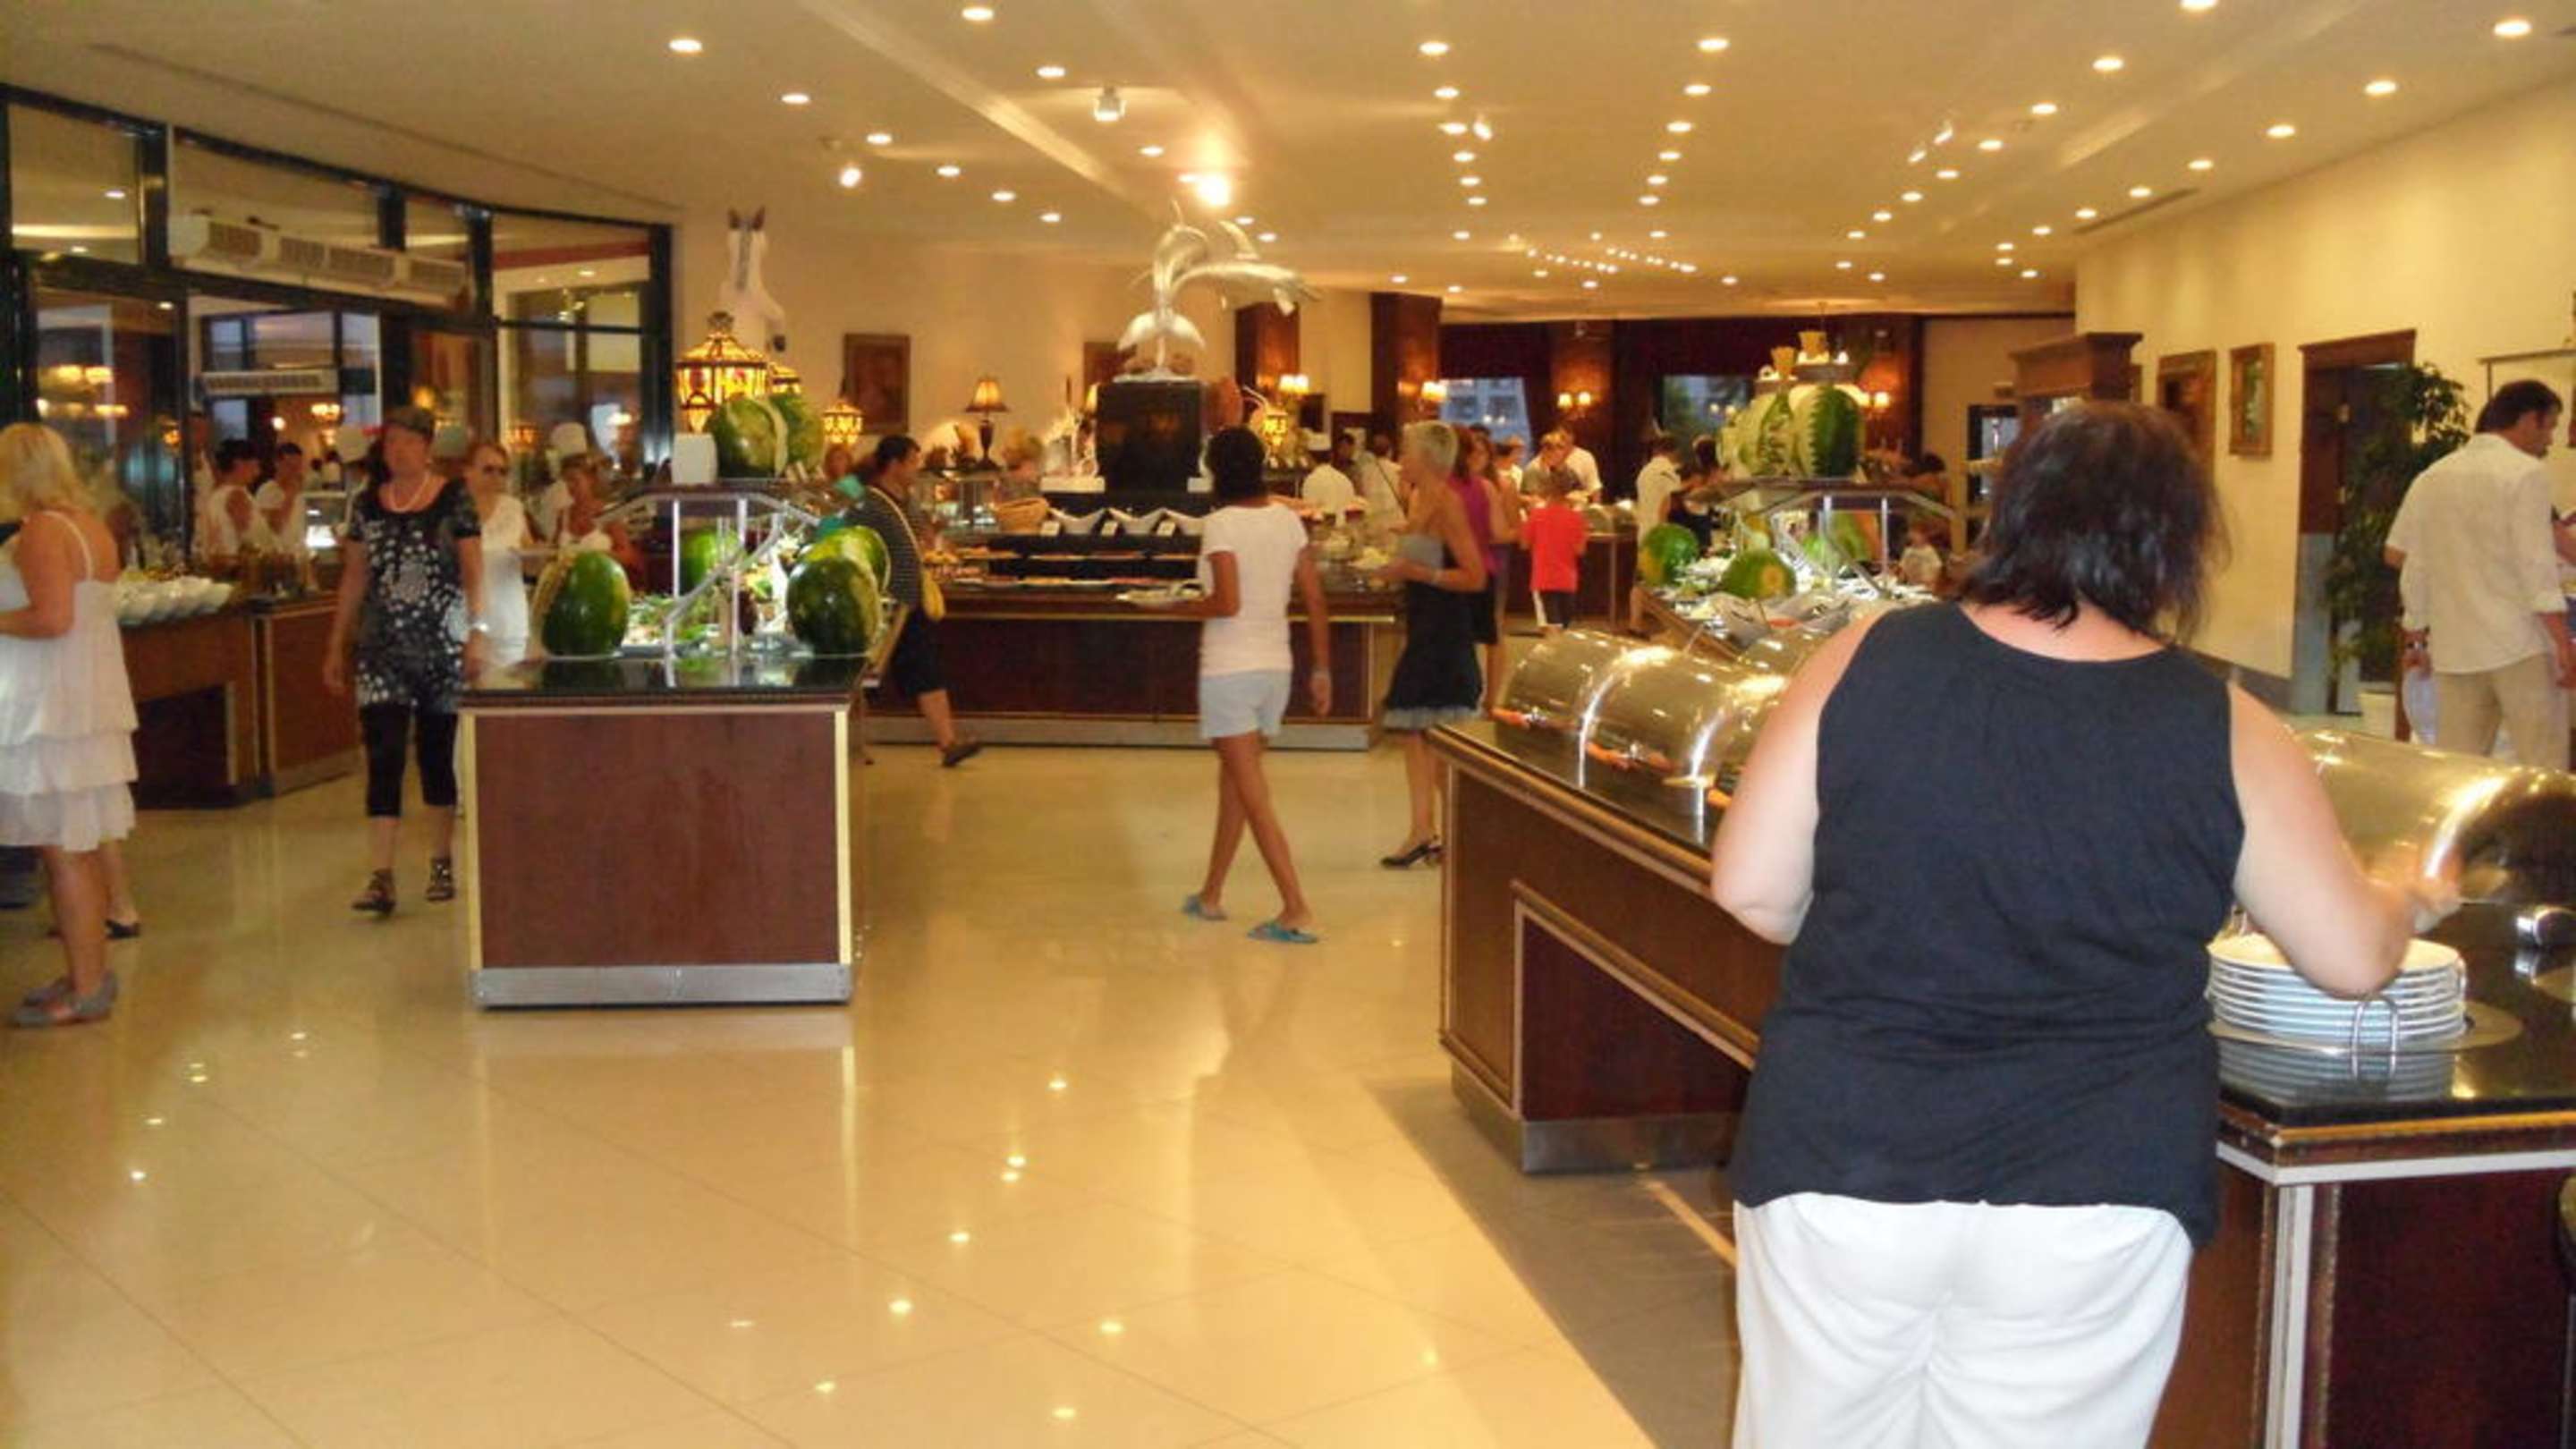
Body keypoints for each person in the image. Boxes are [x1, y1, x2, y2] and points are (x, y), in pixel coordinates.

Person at [1710, 402, 2447, 1449]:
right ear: (2175, 544)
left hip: (1846, 1146)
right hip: (2099, 1176)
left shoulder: (1867, 655)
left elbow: (1752, 890)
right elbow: (2352, 958)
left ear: (2015, 514)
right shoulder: (2225, 723)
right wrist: (2406, 894)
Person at [1162, 427, 1332, 943]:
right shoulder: (1287, 521)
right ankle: (1211, 893)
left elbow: (1226, 602)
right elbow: (1314, 599)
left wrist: (1177, 606)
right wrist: (1322, 669)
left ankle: (1295, 907)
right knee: (1236, 783)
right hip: (1275, 667)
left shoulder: (1221, 524)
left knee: (1254, 795)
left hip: (1230, 670)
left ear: (1216, 471)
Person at [1, 424, 142, 1026]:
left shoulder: (41, 530)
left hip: (52, 707)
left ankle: (85, 986)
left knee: (63, 853)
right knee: (76, 848)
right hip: (83, 701)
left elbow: (52, 618)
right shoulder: (89, 526)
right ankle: (89, 971)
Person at [322, 406, 485, 916]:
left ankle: (440, 860)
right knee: (384, 754)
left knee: (435, 755)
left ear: (427, 448)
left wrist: (476, 633)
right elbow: (354, 576)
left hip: (439, 645)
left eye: (410, 443)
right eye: (392, 443)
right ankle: (381, 874)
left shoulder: (454, 499)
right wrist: (337, 642)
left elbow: (473, 569)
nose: (400, 452)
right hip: (382, 649)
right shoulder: (367, 504)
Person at [2384, 379, 2570, 769]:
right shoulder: (2525, 474)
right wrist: (2563, 644)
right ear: (2529, 419)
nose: (2550, 439)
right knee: (2542, 766)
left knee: (2458, 769)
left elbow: (2407, 560)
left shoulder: (2433, 477)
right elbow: (2535, 567)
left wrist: (2415, 636)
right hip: (2520, 645)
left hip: (2455, 648)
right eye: (2550, 426)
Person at [1374, 420, 1488, 868]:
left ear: (1426, 458)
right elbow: (1421, 547)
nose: (1401, 458)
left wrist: (1417, 572)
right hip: (1424, 625)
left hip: (1445, 628)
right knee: (1417, 729)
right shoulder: (1420, 498)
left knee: (1431, 731)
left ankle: (1452, 828)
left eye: (1407, 451)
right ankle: (1425, 829)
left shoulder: (1448, 502)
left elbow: (1474, 575)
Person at [854, 434, 981, 767]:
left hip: (910, 602)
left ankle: (948, 741)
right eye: (912, 462)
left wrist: (932, 535)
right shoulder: (869, 503)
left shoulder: (906, 500)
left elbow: (921, 534)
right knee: (864, 676)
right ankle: (855, 742)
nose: (916, 469)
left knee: (926, 669)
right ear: (893, 464)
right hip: (885, 604)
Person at [1462, 427, 1521, 708]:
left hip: (1494, 562)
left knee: (1493, 631)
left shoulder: (1504, 486)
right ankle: (1468, 689)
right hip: (1463, 562)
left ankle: (1492, 699)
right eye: (1470, 452)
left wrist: (1486, 536)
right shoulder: (1457, 485)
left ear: (1490, 455)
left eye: (1481, 452)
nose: (1475, 458)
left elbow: (1514, 530)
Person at [464, 441, 533, 667]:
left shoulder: (514, 508)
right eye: (488, 470)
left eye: (503, 471)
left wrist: (538, 557)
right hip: (463, 623)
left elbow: (530, 560)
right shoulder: (454, 510)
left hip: (508, 622)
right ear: (468, 471)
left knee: (506, 686)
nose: (496, 477)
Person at [1521, 466, 1588, 631]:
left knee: (1552, 624)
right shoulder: (1577, 518)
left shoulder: (1536, 516)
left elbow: (1524, 544)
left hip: (1543, 578)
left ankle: (1553, 645)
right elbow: (1580, 550)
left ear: (1546, 489)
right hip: (1567, 579)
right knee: (1564, 625)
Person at [197, 437, 259, 564]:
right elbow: (247, 538)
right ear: (239, 464)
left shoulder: (216, 495)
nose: (257, 472)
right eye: (254, 465)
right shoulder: (237, 494)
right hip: (235, 565)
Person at [252, 441, 313, 561]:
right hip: (277, 558)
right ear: (277, 464)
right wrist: (289, 497)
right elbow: (274, 526)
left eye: (298, 467)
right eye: (289, 466)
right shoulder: (267, 491)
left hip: (298, 554)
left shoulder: (299, 495)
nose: (294, 471)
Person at [1301, 434, 1360, 520]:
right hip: (1345, 527)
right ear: (1330, 456)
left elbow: (1310, 514)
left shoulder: (1312, 480)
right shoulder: (1344, 479)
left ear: (1309, 457)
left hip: (1324, 527)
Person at [1633, 434, 1683, 532]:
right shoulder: (1669, 471)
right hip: (1660, 533)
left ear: (1655, 450)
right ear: (1675, 452)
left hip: (1644, 531)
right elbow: (1670, 504)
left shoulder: (1643, 472)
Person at [1352, 430, 1405, 521]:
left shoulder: (1365, 471)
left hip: (1371, 515)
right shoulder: (1398, 470)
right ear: (1389, 451)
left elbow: (1360, 493)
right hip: (1392, 515)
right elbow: (1404, 495)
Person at [1897, 517, 1947, 590]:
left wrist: (1933, 582)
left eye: (1916, 534)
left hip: (1926, 586)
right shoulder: (1908, 551)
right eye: (1912, 533)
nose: (1913, 536)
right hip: (1912, 585)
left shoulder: (1929, 551)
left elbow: (1938, 568)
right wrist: (1899, 582)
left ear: (1924, 536)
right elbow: (1903, 568)